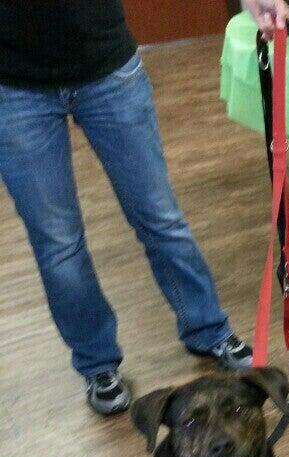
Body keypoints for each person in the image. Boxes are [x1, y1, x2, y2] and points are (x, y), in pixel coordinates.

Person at [0, 2, 257, 416]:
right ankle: (97, 363)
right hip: (14, 88)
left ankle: (209, 328)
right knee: (58, 244)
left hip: (108, 67)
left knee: (161, 219)